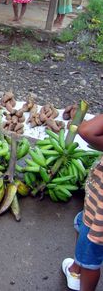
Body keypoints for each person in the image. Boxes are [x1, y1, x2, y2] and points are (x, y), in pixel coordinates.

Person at [62, 114, 103, 291]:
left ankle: (83, 284)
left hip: (100, 212)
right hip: (95, 205)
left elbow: (87, 131)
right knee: (82, 224)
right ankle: (75, 270)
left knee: (90, 257)